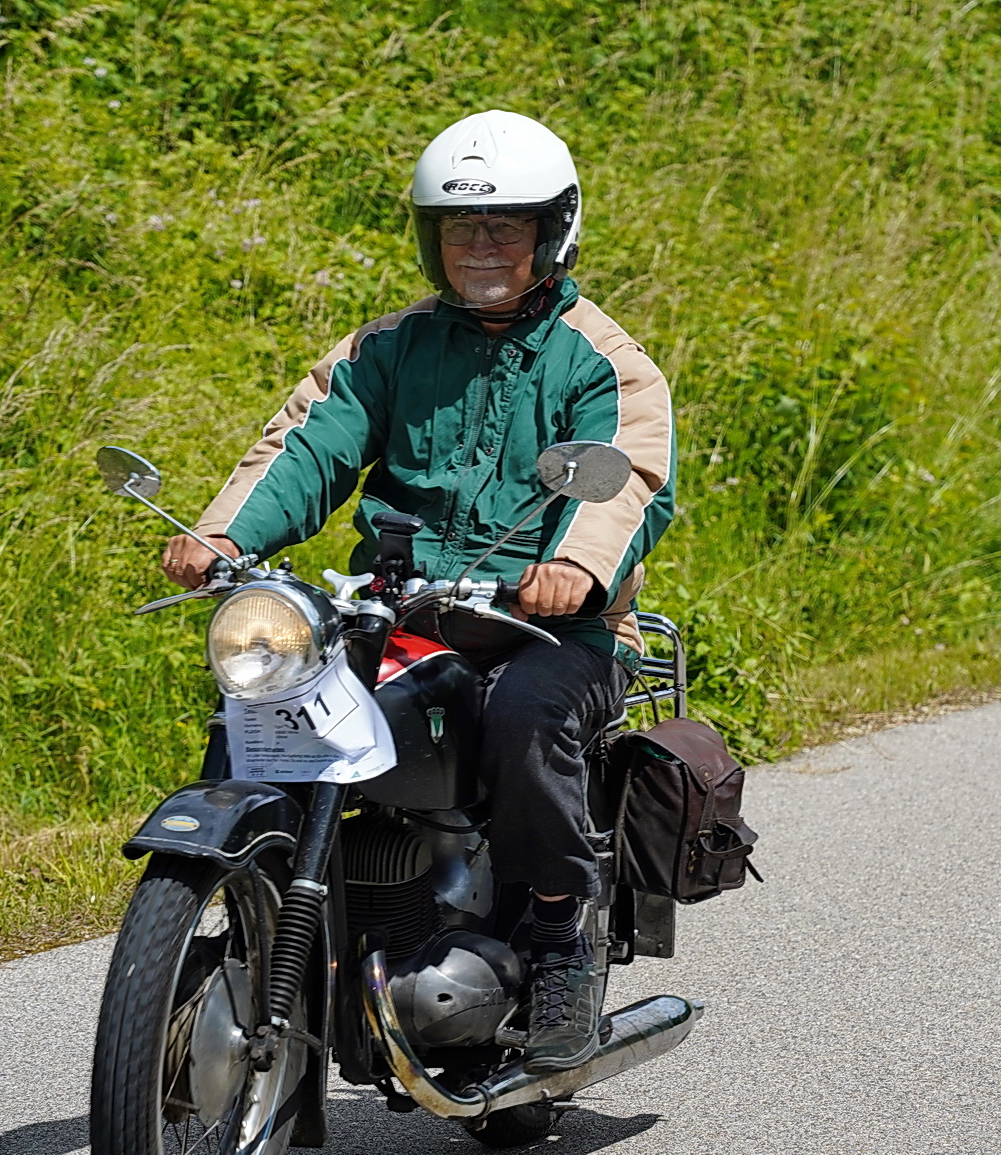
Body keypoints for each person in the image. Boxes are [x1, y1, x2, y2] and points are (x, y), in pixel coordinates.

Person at [157, 109, 675, 1074]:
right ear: (431, 239)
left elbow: (630, 477)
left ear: (553, 233)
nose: (480, 247)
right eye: (459, 228)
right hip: (402, 608)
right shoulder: (389, 347)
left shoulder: (602, 359)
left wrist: (573, 568)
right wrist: (224, 531)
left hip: (552, 630)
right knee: (264, 705)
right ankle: (243, 918)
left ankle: (557, 943)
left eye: (505, 228)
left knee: (526, 718)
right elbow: (309, 445)